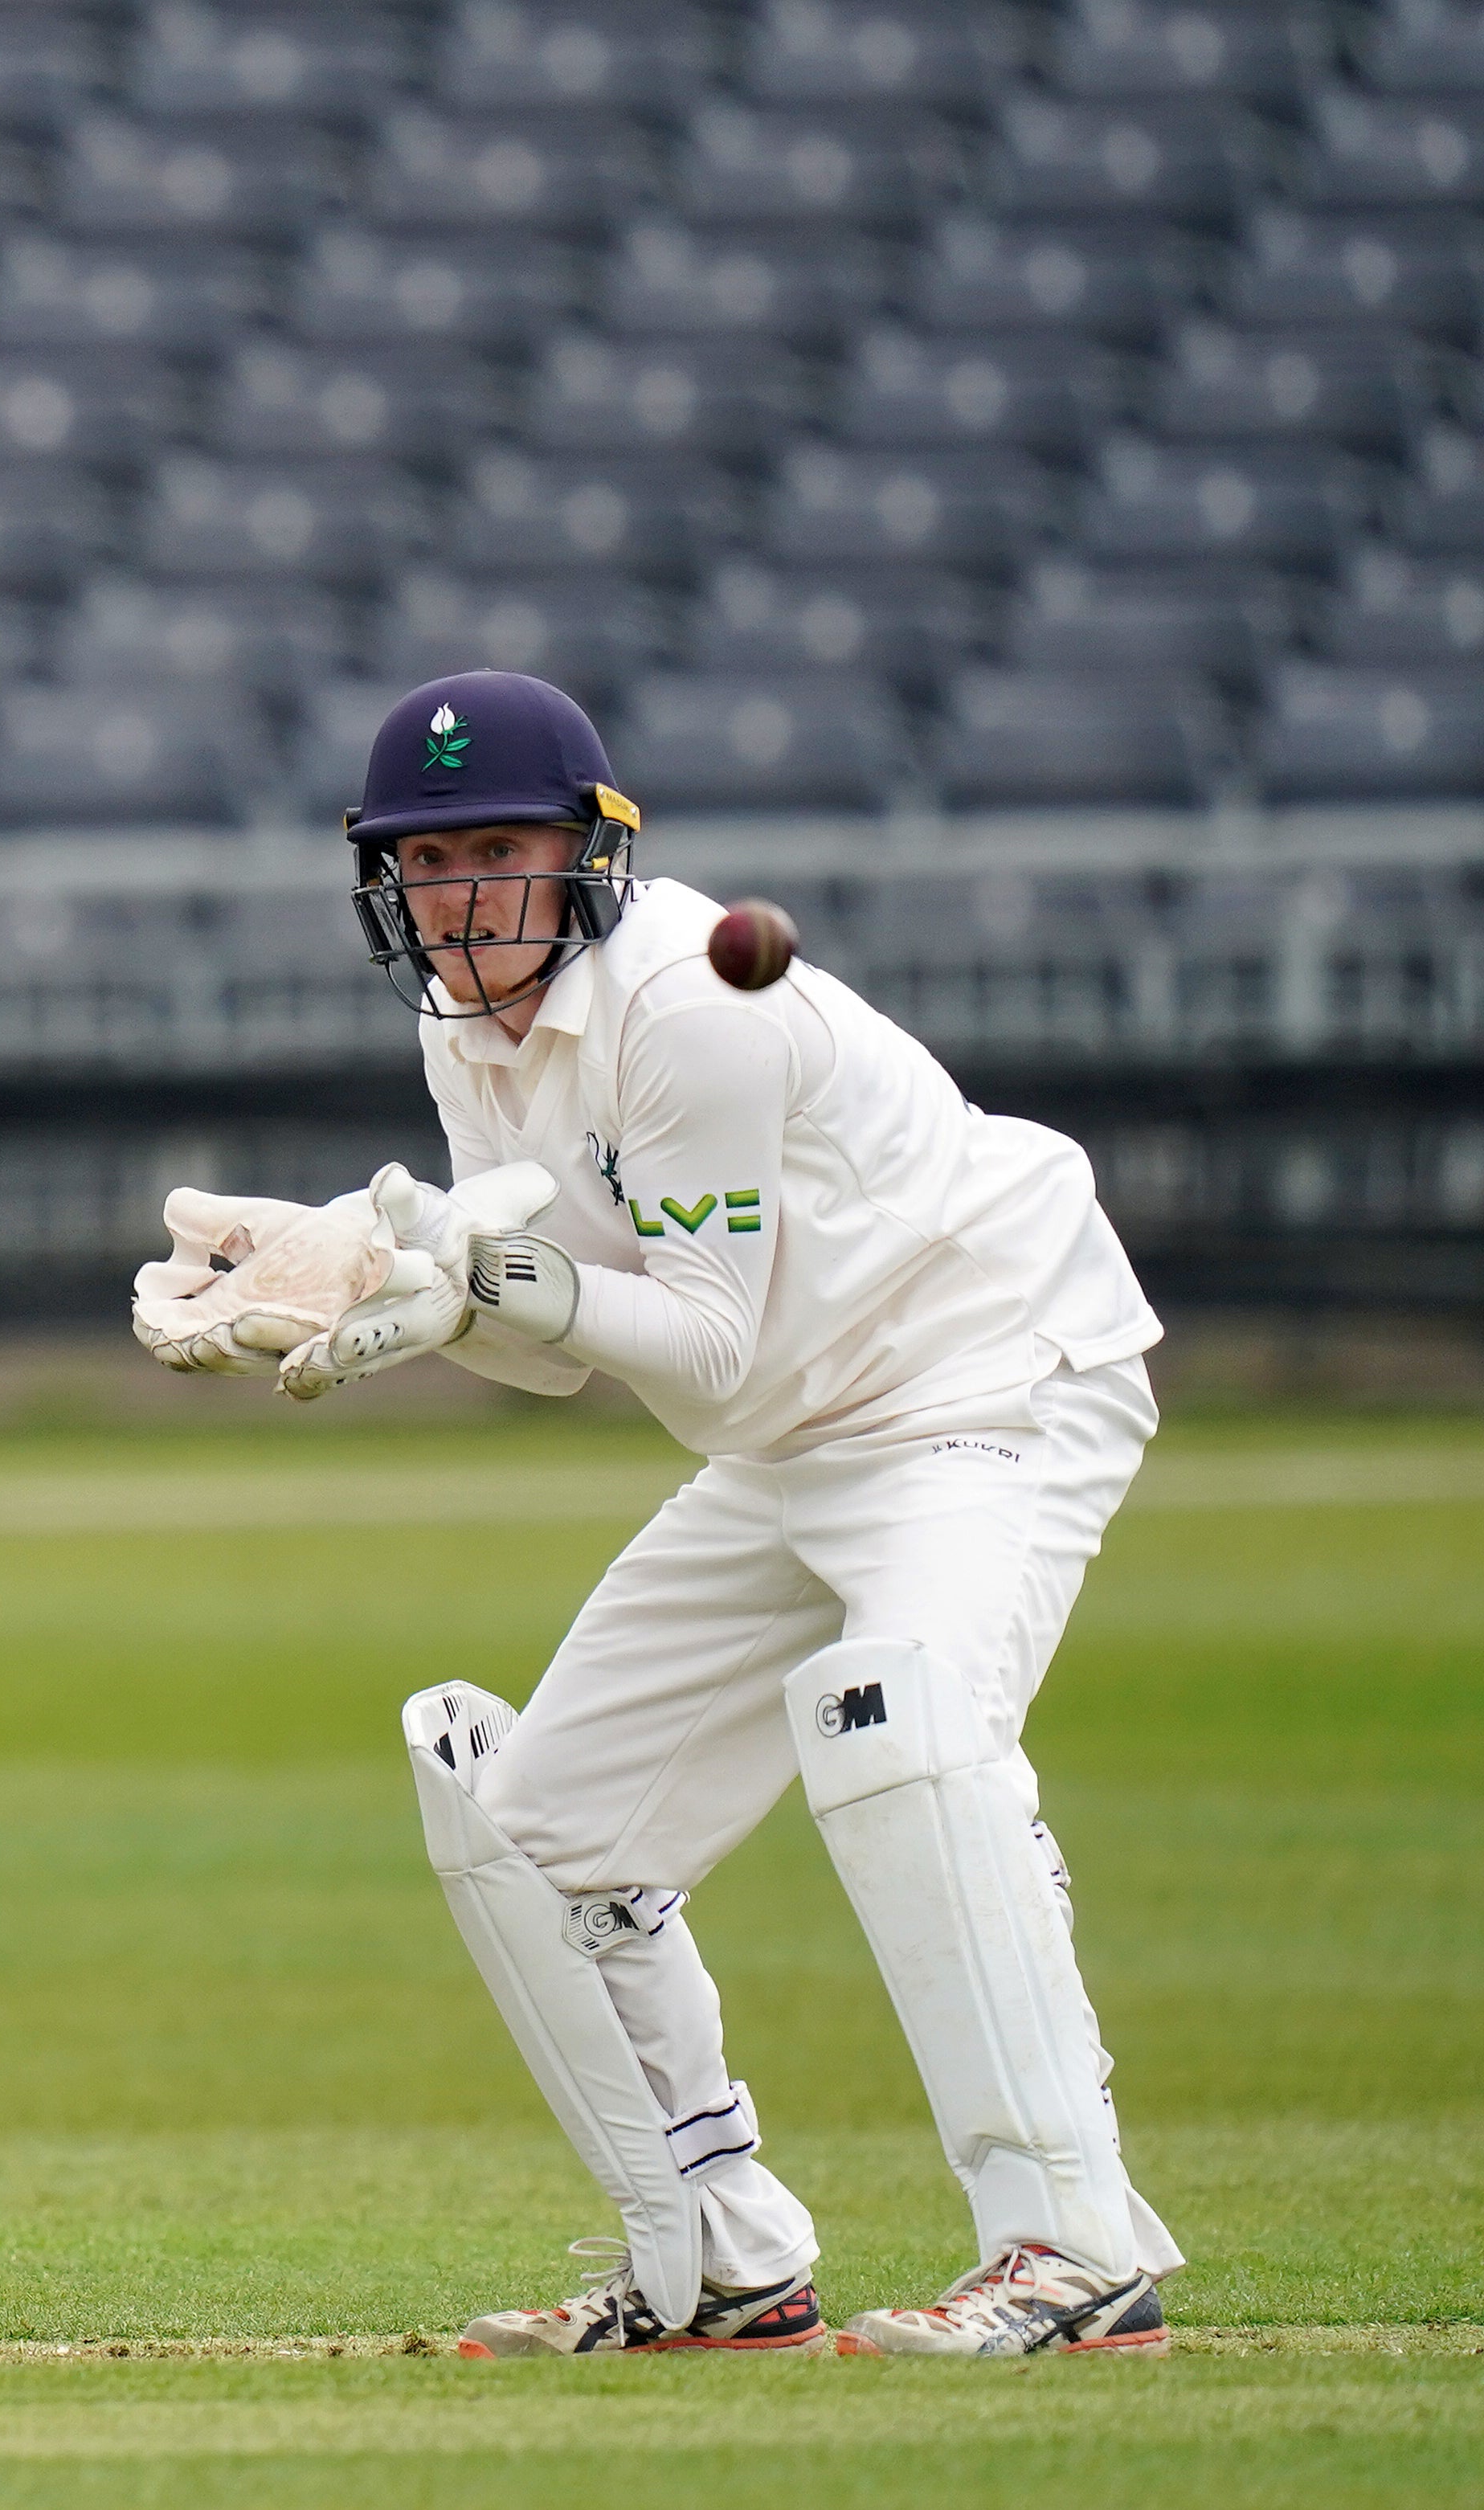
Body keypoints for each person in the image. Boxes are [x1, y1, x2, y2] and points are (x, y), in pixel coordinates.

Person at [132, 671, 1177, 2359]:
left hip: (981, 1375)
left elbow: (691, 1328)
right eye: (426, 857)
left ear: (591, 857)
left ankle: (1072, 2245)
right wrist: (412, 1292)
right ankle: (719, 2255)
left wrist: (477, 1272)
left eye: (498, 848)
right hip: (783, 1431)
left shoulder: (689, 1000)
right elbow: (566, 1351)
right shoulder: (461, 1023)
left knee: (902, 1724)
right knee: (542, 1830)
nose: (461, 895)